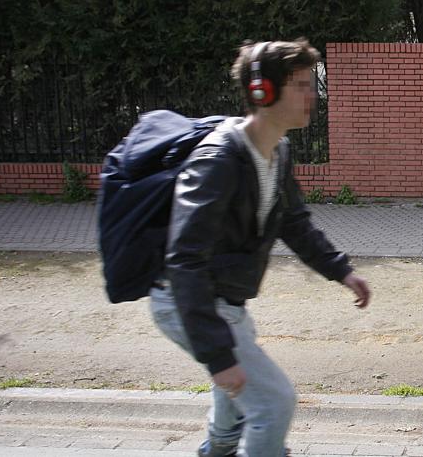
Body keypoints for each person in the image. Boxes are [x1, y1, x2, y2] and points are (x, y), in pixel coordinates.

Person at [149, 39, 370, 457]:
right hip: (184, 301)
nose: (312, 95)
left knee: (238, 393)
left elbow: (293, 221)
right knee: (272, 402)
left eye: (312, 84)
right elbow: (184, 259)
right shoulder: (218, 160)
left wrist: (340, 270)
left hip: (226, 302)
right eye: (302, 85)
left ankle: (218, 450)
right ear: (261, 92)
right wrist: (217, 356)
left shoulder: (277, 151)